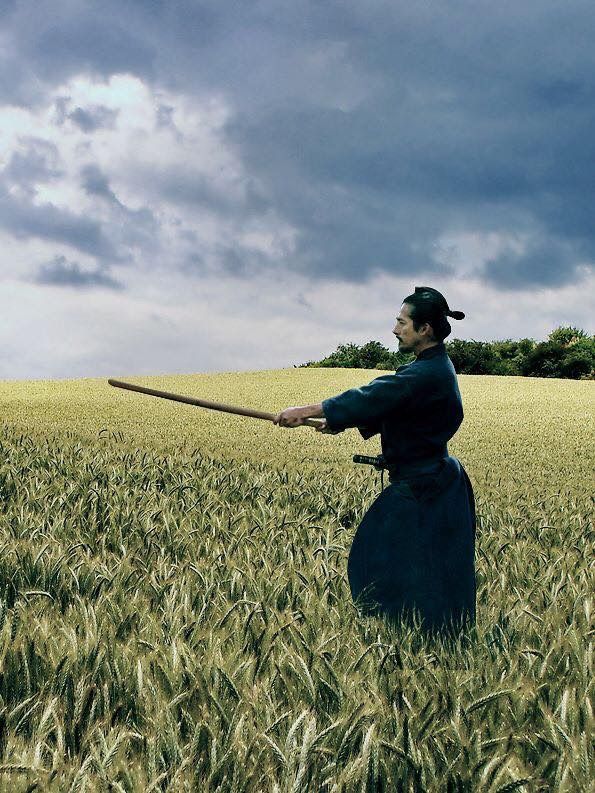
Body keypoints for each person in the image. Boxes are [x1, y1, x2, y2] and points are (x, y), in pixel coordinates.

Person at [273, 286, 476, 642]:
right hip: (431, 482)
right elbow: (396, 408)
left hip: (426, 485)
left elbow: (376, 395)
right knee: (419, 566)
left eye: (402, 322)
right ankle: (411, 640)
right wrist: (337, 422)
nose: (395, 329)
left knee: (385, 560)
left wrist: (306, 410)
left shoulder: (427, 374)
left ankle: (420, 641)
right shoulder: (430, 368)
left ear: (425, 329)